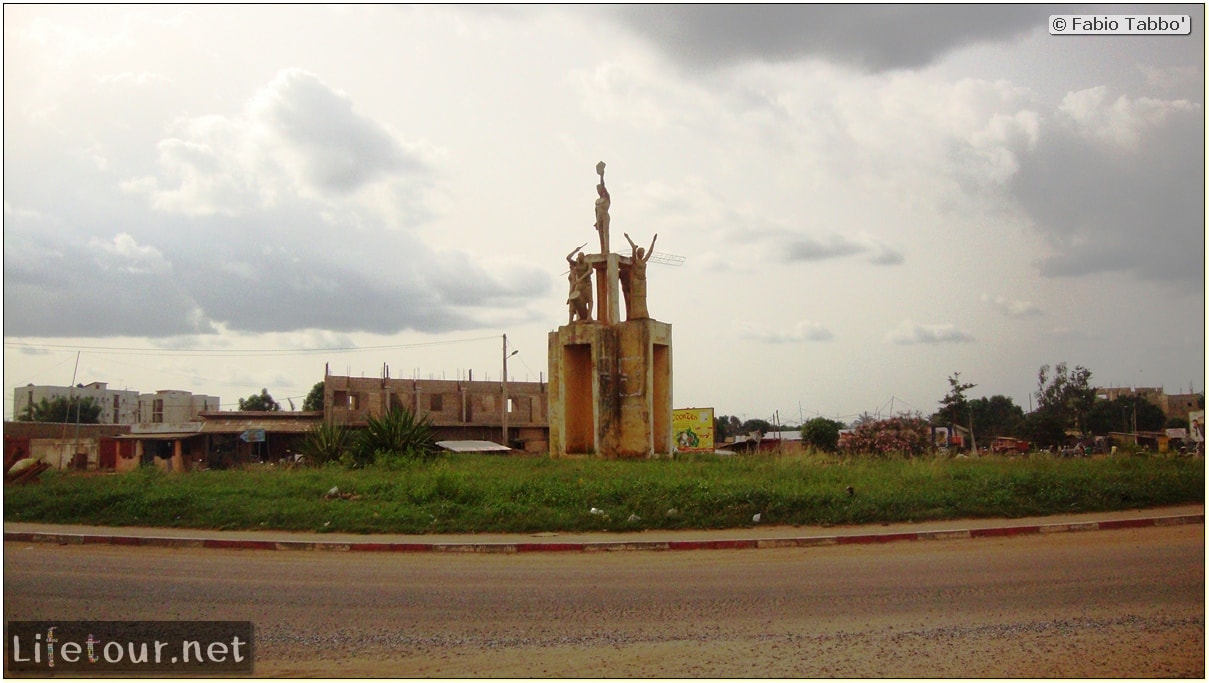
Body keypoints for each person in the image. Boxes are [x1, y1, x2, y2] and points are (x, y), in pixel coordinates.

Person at [622, 232, 656, 320]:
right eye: (641, 252)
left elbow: (650, 252)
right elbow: (633, 248)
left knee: (643, 298)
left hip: (643, 281)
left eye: (643, 252)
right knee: (635, 298)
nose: (642, 254)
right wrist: (628, 237)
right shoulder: (635, 261)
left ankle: (643, 314)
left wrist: (653, 241)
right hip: (636, 281)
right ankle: (635, 315)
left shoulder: (644, 261)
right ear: (638, 253)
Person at [566, 244, 593, 323]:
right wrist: (575, 250)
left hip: (587, 284)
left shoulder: (588, 263)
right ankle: (571, 320)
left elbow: (590, 271)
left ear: (583, 257)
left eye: (581, 256)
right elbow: (568, 258)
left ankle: (589, 317)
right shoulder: (576, 264)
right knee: (573, 299)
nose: (579, 257)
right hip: (579, 284)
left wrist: (581, 278)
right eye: (578, 256)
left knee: (589, 300)